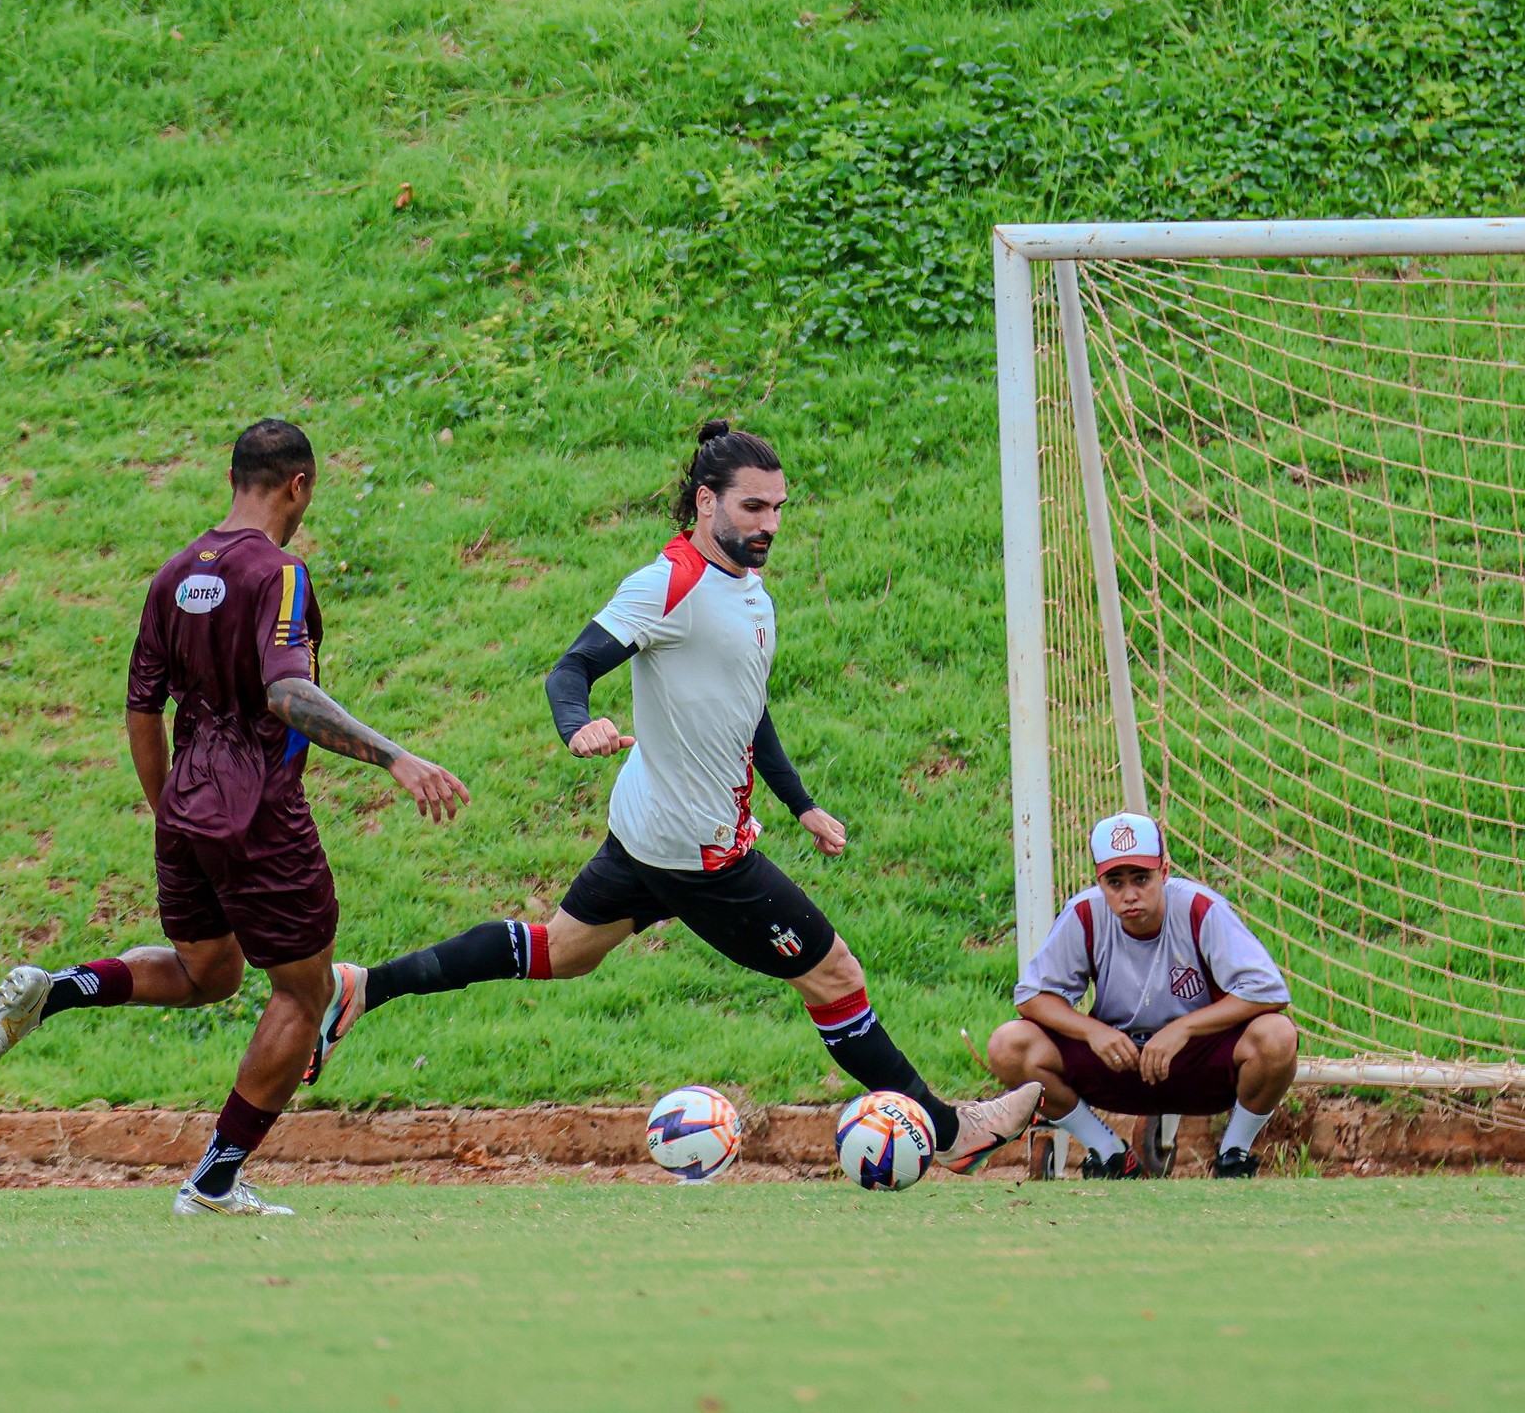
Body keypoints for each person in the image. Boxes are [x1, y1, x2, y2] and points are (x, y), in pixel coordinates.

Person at [301, 421, 1043, 1174]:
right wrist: (577, 726)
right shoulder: (668, 583)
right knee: (835, 976)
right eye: (753, 507)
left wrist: (800, 804)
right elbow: (569, 670)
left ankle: (363, 987)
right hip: (700, 856)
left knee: (561, 952)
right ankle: (952, 1133)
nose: (770, 524)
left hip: (647, 834)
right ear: (706, 502)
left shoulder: (749, 591)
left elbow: (747, 709)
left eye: (778, 508)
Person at [0, 419, 468, 1216]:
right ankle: (215, 1180)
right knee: (304, 994)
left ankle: (57, 991)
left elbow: (141, 708)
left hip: (185, 807)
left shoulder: (173, 574)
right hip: (259, 813)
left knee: (210, 973)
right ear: (299, 486)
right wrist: (396, 757)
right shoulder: (281, 573)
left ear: (232, 479)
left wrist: (169, 810)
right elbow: (287, 692)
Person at [984, 811, 1298, 1179]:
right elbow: (1032, 997)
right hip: (1120, 1062)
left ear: (1164, 872)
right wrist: (1092, 1031)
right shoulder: (1085, 913)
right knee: (1009, 1044)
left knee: (1277, 1034)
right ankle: (1109, 1153)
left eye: (1141, 878)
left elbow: (1269, 991)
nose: (1130, 894)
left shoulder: (1200, 909)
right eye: (1115, 882)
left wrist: (1183, 1029)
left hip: (1196, 1062)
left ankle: (1234, 1157)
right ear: (1099, 882)